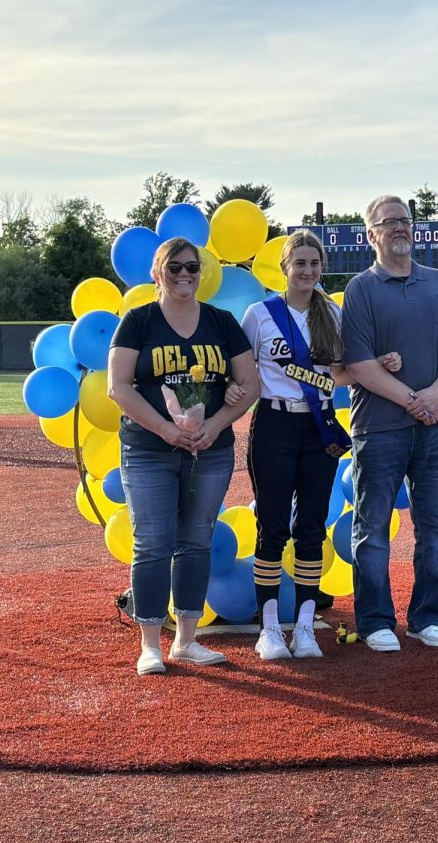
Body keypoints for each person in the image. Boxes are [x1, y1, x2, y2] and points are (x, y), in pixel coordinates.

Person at [228, 230, 401, 661]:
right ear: (284, 268)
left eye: (314, 264)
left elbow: (344, 373)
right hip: (273, 425)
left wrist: (378, 365)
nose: (307, 271)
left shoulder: (333, 314)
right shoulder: (259, 314)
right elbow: (244, 372)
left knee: (310, 527)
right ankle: (269, 629)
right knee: (271, 526)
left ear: (322, 268)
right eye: (299, 263)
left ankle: (304, 627)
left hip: (319, 427)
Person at [108, 237, 259, 675]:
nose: (184, 276)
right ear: (157, 272)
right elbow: (119, 387)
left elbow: (249, 384)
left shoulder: (221, 321)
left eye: (192, 268)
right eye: (174, 268)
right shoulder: (138, 321)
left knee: (197, 542)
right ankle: (150, 644)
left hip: (209, 450)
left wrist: (216, 423)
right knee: (153, 543)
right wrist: (167, 431)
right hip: (149, 449)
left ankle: (187, 642)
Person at [339, 195, 438, 652]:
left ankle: (426, 617)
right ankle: (376, 620)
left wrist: (434, 396)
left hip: (435, 426)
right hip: (378, 428)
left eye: (405, 220)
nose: (400, 228)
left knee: (436, 527)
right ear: (371, 234)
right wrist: (414, 399)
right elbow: (358, 363)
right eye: (388, 222)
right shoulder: (361, 288)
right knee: (372, 526)